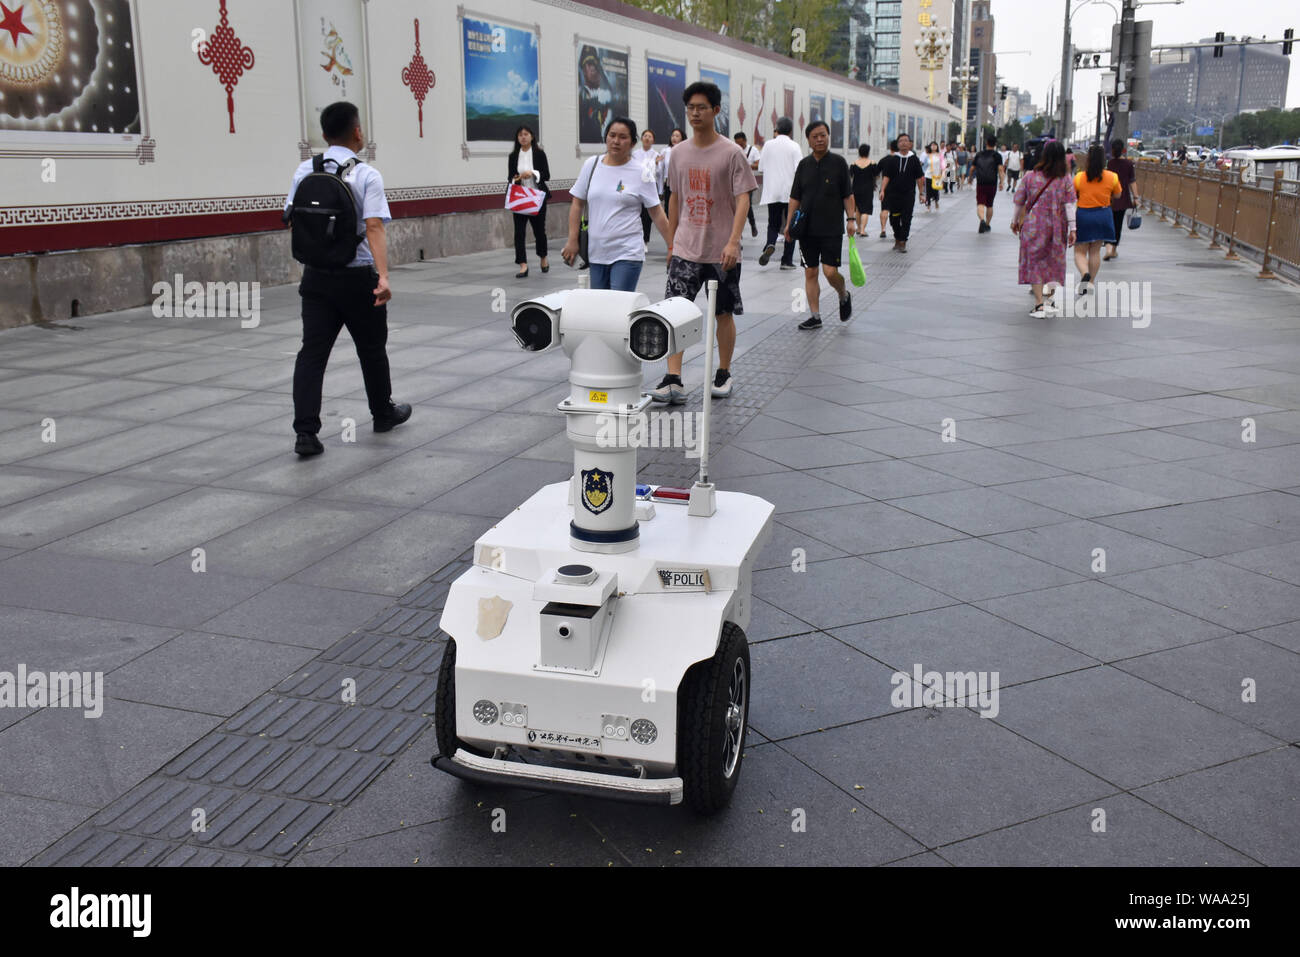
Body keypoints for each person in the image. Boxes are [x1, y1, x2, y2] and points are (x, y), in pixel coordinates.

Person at [286, 101, 410, 457]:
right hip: (358, 278)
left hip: (316, 280)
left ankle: (305, 434)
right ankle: (383, 413)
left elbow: (292, 220)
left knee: (312, 355)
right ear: (357, 131)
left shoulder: (303, 171)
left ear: (324, 135)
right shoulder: (367, 174)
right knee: (371, 349)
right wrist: (383, 277)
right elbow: (373, 226)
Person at [651, 81, 756, 403]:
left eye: (701, 107)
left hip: (721, 250)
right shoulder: (678, 154)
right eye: (690, 108)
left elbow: (743, 200)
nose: (695, 113)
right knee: (675, 313)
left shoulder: (731, 153)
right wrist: (671, 243)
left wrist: (734, 242)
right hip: (685, 249)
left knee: (723, 313)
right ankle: (673, 378)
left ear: (715, 110)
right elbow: (674, 199)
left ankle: (723, 372)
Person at [562, 117, 671, 291]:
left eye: (622, 137)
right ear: (606, 138)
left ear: (632, 143)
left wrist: (672, 246)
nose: (616, 141)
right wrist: (572, 240)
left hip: (627, 252)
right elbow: (577, 204)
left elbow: (656, 212)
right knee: (602, 310)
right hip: (596, 252)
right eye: (612, 135)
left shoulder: (641, 172)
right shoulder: (591, 165)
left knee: (618, 307)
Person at [787, 120, 857, 330]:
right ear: (808, 140)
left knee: (830, 272)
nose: (819, 139)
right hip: (806, 229)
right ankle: (815, 316)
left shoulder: (838, 163)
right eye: (815, 136)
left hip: (831, 229)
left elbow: (848, 194)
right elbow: (795, 197)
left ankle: (843, 294)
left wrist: (851, 219)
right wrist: (789, 223)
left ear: (828, 136)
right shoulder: (804, 165)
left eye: (823, 135)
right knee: (810, 272)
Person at [1010, 141, 1077, 318]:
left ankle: (1039, 303)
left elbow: (1019, 201)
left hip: (1033, 225)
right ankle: (1049, 300)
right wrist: (1073, 229)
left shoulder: (1030, 177)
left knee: (1035, 261)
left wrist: (1014, 220)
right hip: (1057, 226)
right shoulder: (1065, 179)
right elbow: (1070, 205)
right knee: (1054, 261)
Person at [1073, 143, 1122, 294]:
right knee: (1095, 252)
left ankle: (1084, 274)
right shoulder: (1112, 177)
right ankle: (1091, 282)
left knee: (1080, 251)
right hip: (1103, 215)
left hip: (1084, 215)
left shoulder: (1079, 177)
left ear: (1087, 160)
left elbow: (1074, 195)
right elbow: (1118, 195)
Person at [756, 116, 802, 269]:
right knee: (791, 225)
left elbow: (761, 168)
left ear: (776, 129)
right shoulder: (794, 146)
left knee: (773, 223)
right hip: (790, 193)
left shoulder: (768, 145)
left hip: (772, 191)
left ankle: (770, 243)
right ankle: (786, 261)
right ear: (790, 130)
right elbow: (799, 170)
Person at [508, 125, 550, 278]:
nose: (523, 137)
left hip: (537, 197)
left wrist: (532, 173)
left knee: (539, 231)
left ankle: (543, 257)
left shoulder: (539, 154)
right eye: (520, 135)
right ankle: (523, 265)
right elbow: (510, 177)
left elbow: (546, 175)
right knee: (519, 233)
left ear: (532, 136)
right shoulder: (513, 156)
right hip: (520, 198)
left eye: (526, 134)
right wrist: (517, 178)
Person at [877, 132, 925, 252]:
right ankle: (897, 238)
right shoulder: (893, 160)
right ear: (898, 144)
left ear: (909, 144)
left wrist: (921, 193)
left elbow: (919, 178)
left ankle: (903, 241)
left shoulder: (914, 159)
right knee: (894, 218)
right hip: (893, 194)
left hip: (908, 194)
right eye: (901, 141)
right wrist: (882, 190)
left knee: (906, 218)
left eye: (906, 140)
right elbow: (886, 176)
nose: (903, 142)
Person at [1104, 138, 1139, 262]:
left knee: (1109, 224)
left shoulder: (1110, 163)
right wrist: (1135, 197)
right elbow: (1132, 181)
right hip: (1123, 199)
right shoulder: (1129, 164)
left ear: (1112, 150)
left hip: (1110, 199)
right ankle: (1113, 250)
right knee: (1118, 225)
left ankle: (1108, 248)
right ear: (1123, 150)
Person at [632, 129, 664, 247]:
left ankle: (645, 240)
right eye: (645, 136)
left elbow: (659, 173)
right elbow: (634, 170)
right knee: (636, 213)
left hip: (650, 185)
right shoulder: (635, 154)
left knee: (647, 215)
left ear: (653, 140)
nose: (647, 138)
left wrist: (655, 164)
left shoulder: (656, 155)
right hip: (637, 185)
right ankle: (636, 239)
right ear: (641, 139)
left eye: (650, 136)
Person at [578, 45, 615, 144]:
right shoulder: (581, 95)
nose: (593, 68)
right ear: (583, 70)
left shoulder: (606, 94)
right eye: (589, 64)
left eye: (595, 64)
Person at [971, 134, 1005, 233]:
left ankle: (981, 220)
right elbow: (1000, 170)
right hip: (992, 183)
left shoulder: (979, 154)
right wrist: (1001, 182)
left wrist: (970, 178)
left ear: (986, 143)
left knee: (980, 203)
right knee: (989, 205)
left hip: (981, 182)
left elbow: (972, 168)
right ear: (995, 144)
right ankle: (987, 224)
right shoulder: (997, 155)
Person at [735, 132, 761, 238]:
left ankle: (753, 225)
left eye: (741, 144)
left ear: (745, 141)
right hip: (736, 182)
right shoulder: (735, 149)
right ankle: (738, 231)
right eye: (737, 143)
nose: (739, 146)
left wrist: (747, 165)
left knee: (747, 205)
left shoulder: (753, 150)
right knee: (736, 207)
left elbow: (758, 164)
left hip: (748, 183)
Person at [850, 143, 878, 237]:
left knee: (857, 209)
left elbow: (850, 176)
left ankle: (858, 228)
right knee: (865, 210)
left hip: (856, 188)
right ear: (868, 152)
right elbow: (876, 175)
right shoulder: (872, 163)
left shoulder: (854, 163)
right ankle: (862, 230)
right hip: (868, 189)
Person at [660, 127, 685, 215]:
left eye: (677, 136)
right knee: (669, 209)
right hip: (669, 184)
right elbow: (661, 171)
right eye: (673, 135)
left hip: (682, 184)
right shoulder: (665, 151)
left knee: (682, 209)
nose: (674, 138)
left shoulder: (685, 151)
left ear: (682, 138)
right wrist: (660, 190)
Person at [879, 139, 898, 237]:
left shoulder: (884, 160)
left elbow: (876, 172)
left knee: (884, 209)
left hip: (885, 187)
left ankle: (883, 229)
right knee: (896, 211)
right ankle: (896, 230)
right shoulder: (900, 160)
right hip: (897, 189)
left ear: (890, 148)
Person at [922, 141, 944, 211]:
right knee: (928, 191)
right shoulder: (927, 155)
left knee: (935, 190)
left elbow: (942, 166)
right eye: (932, 145)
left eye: (935, 145)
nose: (933, 146)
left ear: (937, 147)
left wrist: (942, 174)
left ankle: (936, 201)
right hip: (928, 175)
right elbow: (924, 166)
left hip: (937, 176)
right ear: (930, 147)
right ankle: (928, 206)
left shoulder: (940, 155)